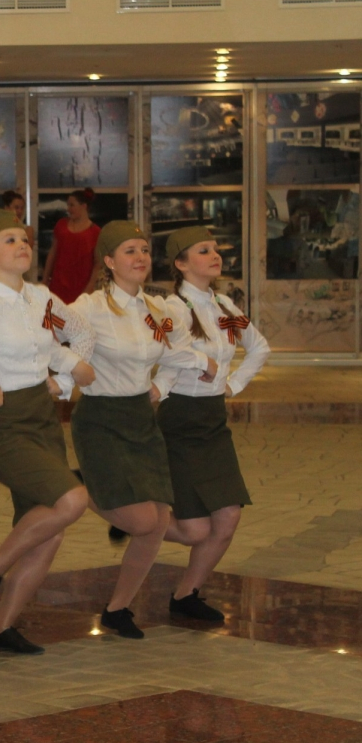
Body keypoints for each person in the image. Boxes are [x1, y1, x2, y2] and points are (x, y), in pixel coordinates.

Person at [0, 209, 97, 654]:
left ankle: (1, 629)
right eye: (9, 240)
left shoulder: (42, 298)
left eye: (24, 239)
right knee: (71, 500)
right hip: (1, 427)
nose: (22, 245)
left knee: (51, 531)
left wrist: (63, 379)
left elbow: (83, 334)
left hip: (42, 419)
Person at [67, 221, 218, 639]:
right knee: (140, 521)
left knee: (158, 520)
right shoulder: (88, 307)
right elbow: (48, 337)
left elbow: (175, 353)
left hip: (141, 419)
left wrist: (163, 385)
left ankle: (118, 609)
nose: (140, 258)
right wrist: (66, 372)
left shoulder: (158, 309)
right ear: (109, 261)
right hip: (100, 419)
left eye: (145, 250)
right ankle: (72, 486)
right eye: (129, 251)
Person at [153, 226, 269, 621]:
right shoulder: (172, 307)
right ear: (181, 263)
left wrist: (232, 384)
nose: (214, 255)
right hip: (180, 419)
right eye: (203, 250)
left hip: (214, 421)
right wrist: (201, 364)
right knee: (195, 529)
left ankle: (186, 595)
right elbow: (166, 351)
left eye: (215, 249)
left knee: (228, 516)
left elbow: (259, 347)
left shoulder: (224, 306)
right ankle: (131, 519)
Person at [42, 188, 100, 304]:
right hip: (58, 283)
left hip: (81, 286)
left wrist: (89, 289)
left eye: (72, 205)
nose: (68, 209)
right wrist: (44, 280)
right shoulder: (61, 225)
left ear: (83, 206)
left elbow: (97, 264)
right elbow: (53, 253)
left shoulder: (95, 232)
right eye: (68, 205)